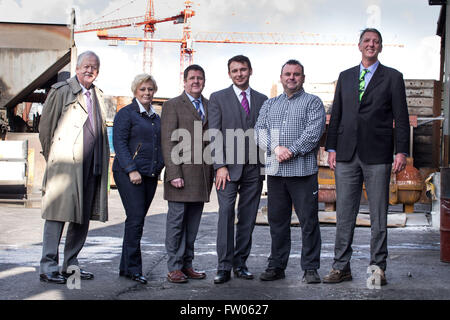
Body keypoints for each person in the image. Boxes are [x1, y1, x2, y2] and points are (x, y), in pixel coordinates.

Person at [323, 28, 410, 285]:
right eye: (367, 41)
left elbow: (402, 118)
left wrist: (401, 151)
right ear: (359, 45)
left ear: (381, 47)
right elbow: (336, 114)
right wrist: (331, 148)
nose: (371, 45)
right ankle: (341, 267)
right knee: (344, 215)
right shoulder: (346, 76)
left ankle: (377, 267)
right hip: (347, 154)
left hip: (378, 154)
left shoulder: (393, 77)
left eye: (376, 42)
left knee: (378, 215)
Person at [38, 51, 110, 284]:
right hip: (65, 165)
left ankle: (71, 264)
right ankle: (48, 266)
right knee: (57, 215)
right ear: (77, 68)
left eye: (94, 67)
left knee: (82, 218)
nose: (90, 70)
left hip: (92, 165)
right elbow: (46, 128)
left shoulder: (98, 94)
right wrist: (55, 157)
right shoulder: (61, 91)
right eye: (86, 66)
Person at [254, 59, 326, 284]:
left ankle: (311, 268)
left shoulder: (313, 102)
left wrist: (291, 151)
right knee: (277, 222)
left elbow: (314, 132)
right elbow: (259, 130)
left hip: (303, 173)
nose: (292, 77)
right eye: (288, 74)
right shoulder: (269, 104)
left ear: (303, 78)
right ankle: (276, 266)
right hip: (276, 174)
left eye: (296, 74)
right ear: (281, 77)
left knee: (309, 222)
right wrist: (275, 148)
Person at [208, 55, 268, 284]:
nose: (239, 74)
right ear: (229, 74)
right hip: (227, 169)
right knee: (225, 215)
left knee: (248, 216)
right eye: (234, 71)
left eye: (243, 69)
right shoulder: (218, 98)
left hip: (254, 168)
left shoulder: (263, 99)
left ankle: (240, 263)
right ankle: (223, 266)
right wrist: (220, 165)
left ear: (250, 71)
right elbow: (214, 133)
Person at [161, 64, 214, 284]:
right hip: (180, 174)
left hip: (202, 176)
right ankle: (174, 267)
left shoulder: (210, 105)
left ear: (204, 81)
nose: (196, 81)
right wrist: (174, 172)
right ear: (184, 81)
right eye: (192, 78)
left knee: (193, 224)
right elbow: (167, 139)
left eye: (199, 78)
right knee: (176, 223)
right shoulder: (172, 105)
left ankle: (187, 264)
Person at [113, 74, 164, 284]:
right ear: (135, 91)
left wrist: (159, 167)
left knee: (136, 220)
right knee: (135, 219)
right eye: (142, 89)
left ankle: (126, 267)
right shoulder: (126, 114)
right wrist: (131, 169)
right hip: (129, 174)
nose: (146, 93)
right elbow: (119, 143)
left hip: (150, 175)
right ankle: (134, 268)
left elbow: (160, 145)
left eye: (150, 89)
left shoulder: (155, 117)